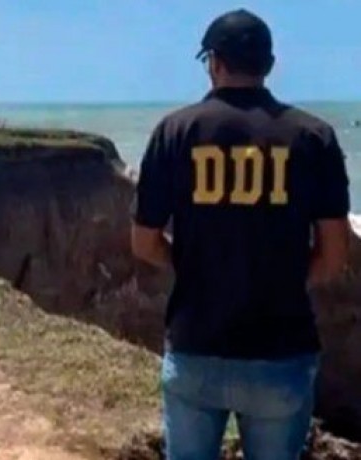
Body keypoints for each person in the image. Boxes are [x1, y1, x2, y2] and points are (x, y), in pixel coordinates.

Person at [131, 9, 351, 460]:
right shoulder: (314, 137)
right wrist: (284, 279)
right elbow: (333, 256)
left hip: (196, 348)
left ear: (213, 62)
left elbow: (144, 242)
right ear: (269, 65)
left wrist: (194, 267)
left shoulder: (175, 131)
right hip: (281, 351)